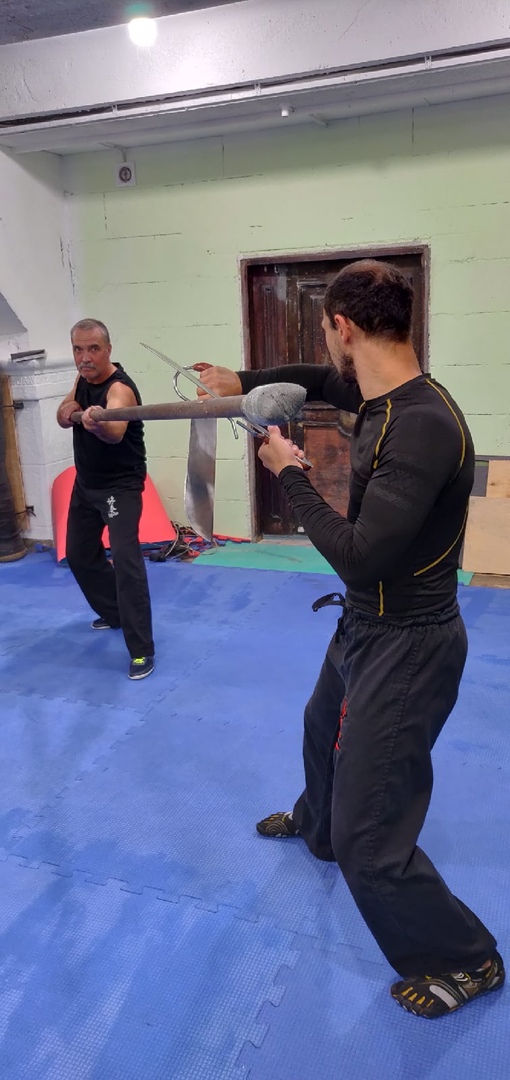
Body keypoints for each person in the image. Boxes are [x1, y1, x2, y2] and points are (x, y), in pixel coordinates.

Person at [196, 260, 504, 1018]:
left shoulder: (421, 425)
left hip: (410, 644)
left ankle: (467, 960)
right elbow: (315, 381)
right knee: (318, 726)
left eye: (327, 334)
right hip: (366, 623)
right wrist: (242, 378)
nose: (326, 353)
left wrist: (290, 474)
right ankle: (317, 826)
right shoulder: (378, 391)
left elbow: (360, 554)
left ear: (342, 326)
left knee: (372, 840)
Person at [57, 318, 155, 680]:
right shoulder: (82, 378)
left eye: (93, 349)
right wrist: (68, 410)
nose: (85, 357)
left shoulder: (120, 389)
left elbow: (114, 432)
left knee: (126, 562)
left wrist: (97, 421)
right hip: (86, 484)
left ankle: (142, 651)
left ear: (108, 349)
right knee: (79, 554)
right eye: (78, 349)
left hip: (119, 487)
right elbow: (64, 412)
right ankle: (114, 612)